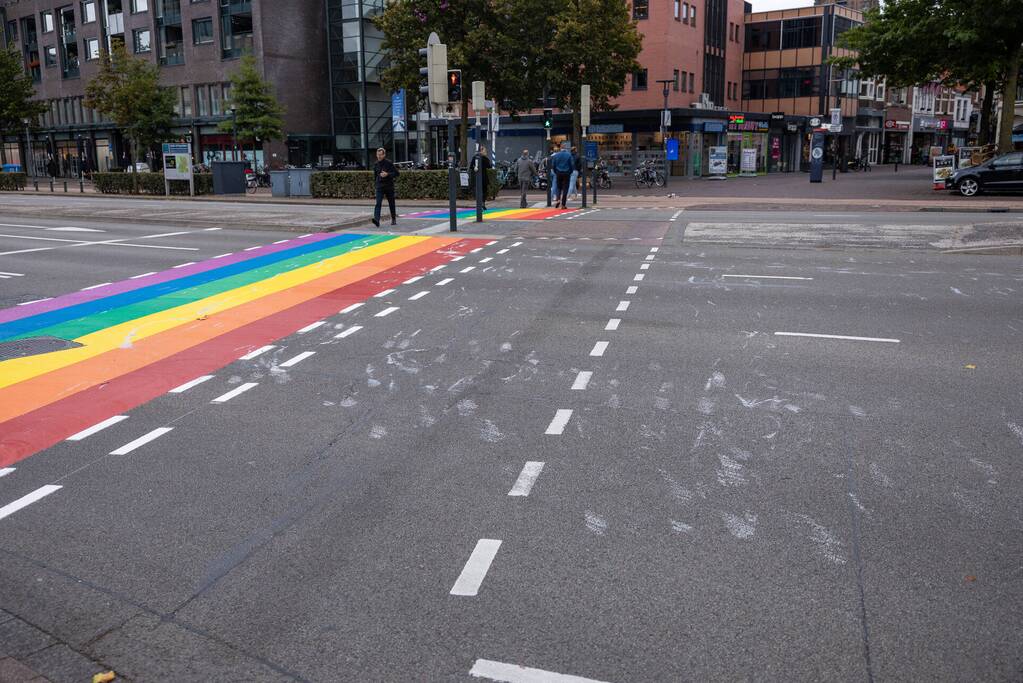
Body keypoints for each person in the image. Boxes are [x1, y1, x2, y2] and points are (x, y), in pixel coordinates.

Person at [371, 147, 399, 227]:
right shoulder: (376, 164)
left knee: (391, 203)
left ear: (384, 155)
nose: (379, 156)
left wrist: (387, 174)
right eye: (377, 155)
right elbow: (375, 176)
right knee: (378, 203)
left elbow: (397, 173)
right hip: (380, 186)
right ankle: (377, 220)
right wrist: (376, 185)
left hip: (389, 186)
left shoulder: (389, 163)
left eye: (380, 155)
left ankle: (393, 219)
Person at [550, 144, 574, 209]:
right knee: (565, 188)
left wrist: (556, 171)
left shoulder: (556, 155)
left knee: (558, 187)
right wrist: (570, 172)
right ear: (565, 148)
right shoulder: (569, 155)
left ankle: (558, 199)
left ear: (560, 148)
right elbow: (571, 165)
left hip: (558, 172)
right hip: (566, 173)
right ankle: (563, 204)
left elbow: (553, 165)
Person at [470, 145, 493, 209]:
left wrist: (475, 167)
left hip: (477, 177)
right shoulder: (485, 158)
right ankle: (483, 203)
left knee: (478, 191)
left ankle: (479, 204)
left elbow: (471, 166)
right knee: (484, 191)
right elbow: (489, 166)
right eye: (485, 150)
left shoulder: (475, 157)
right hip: (484, 177)